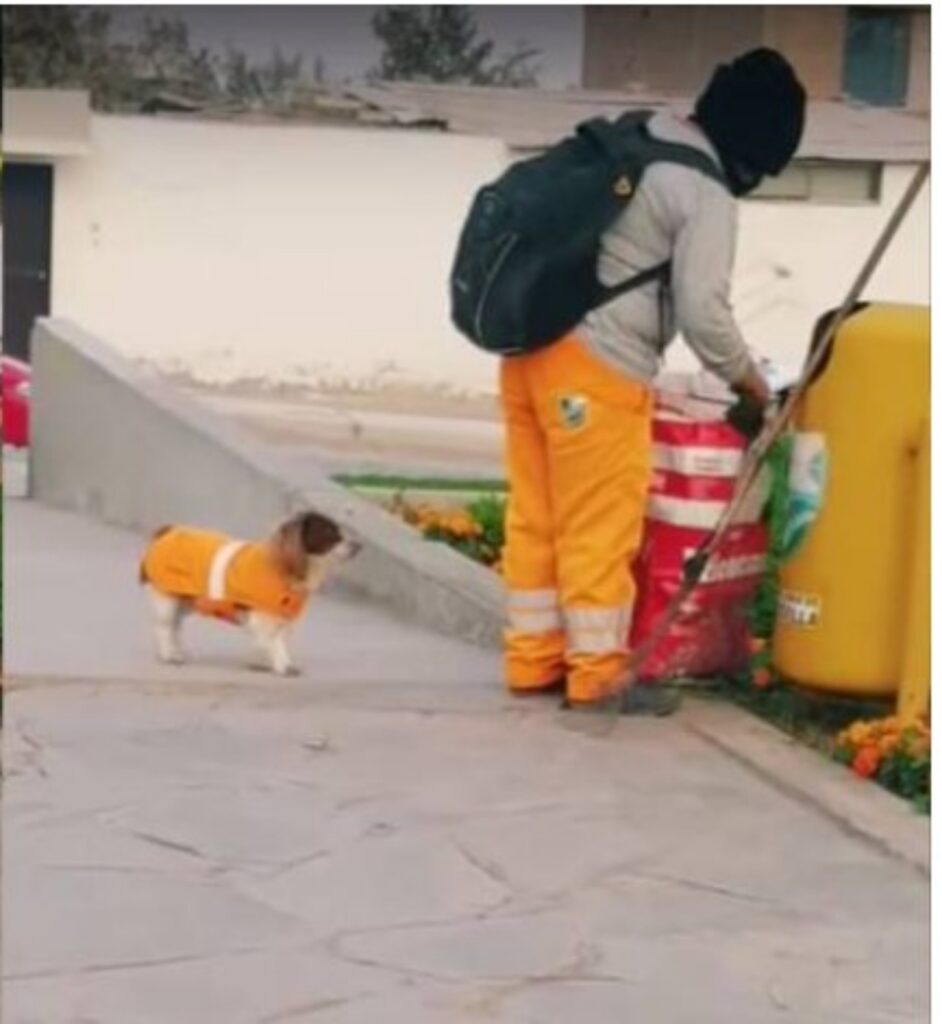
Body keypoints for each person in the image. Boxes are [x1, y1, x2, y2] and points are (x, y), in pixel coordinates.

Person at [500, 48, 806, 711]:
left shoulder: (638, 135)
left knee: (538, 517)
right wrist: (752, 383)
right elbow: (704, 313)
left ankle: (533, 660)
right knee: (599, 524)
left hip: (528, 349)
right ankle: (596, 675)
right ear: (756, 150)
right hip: (598, 365)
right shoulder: (704, 190)